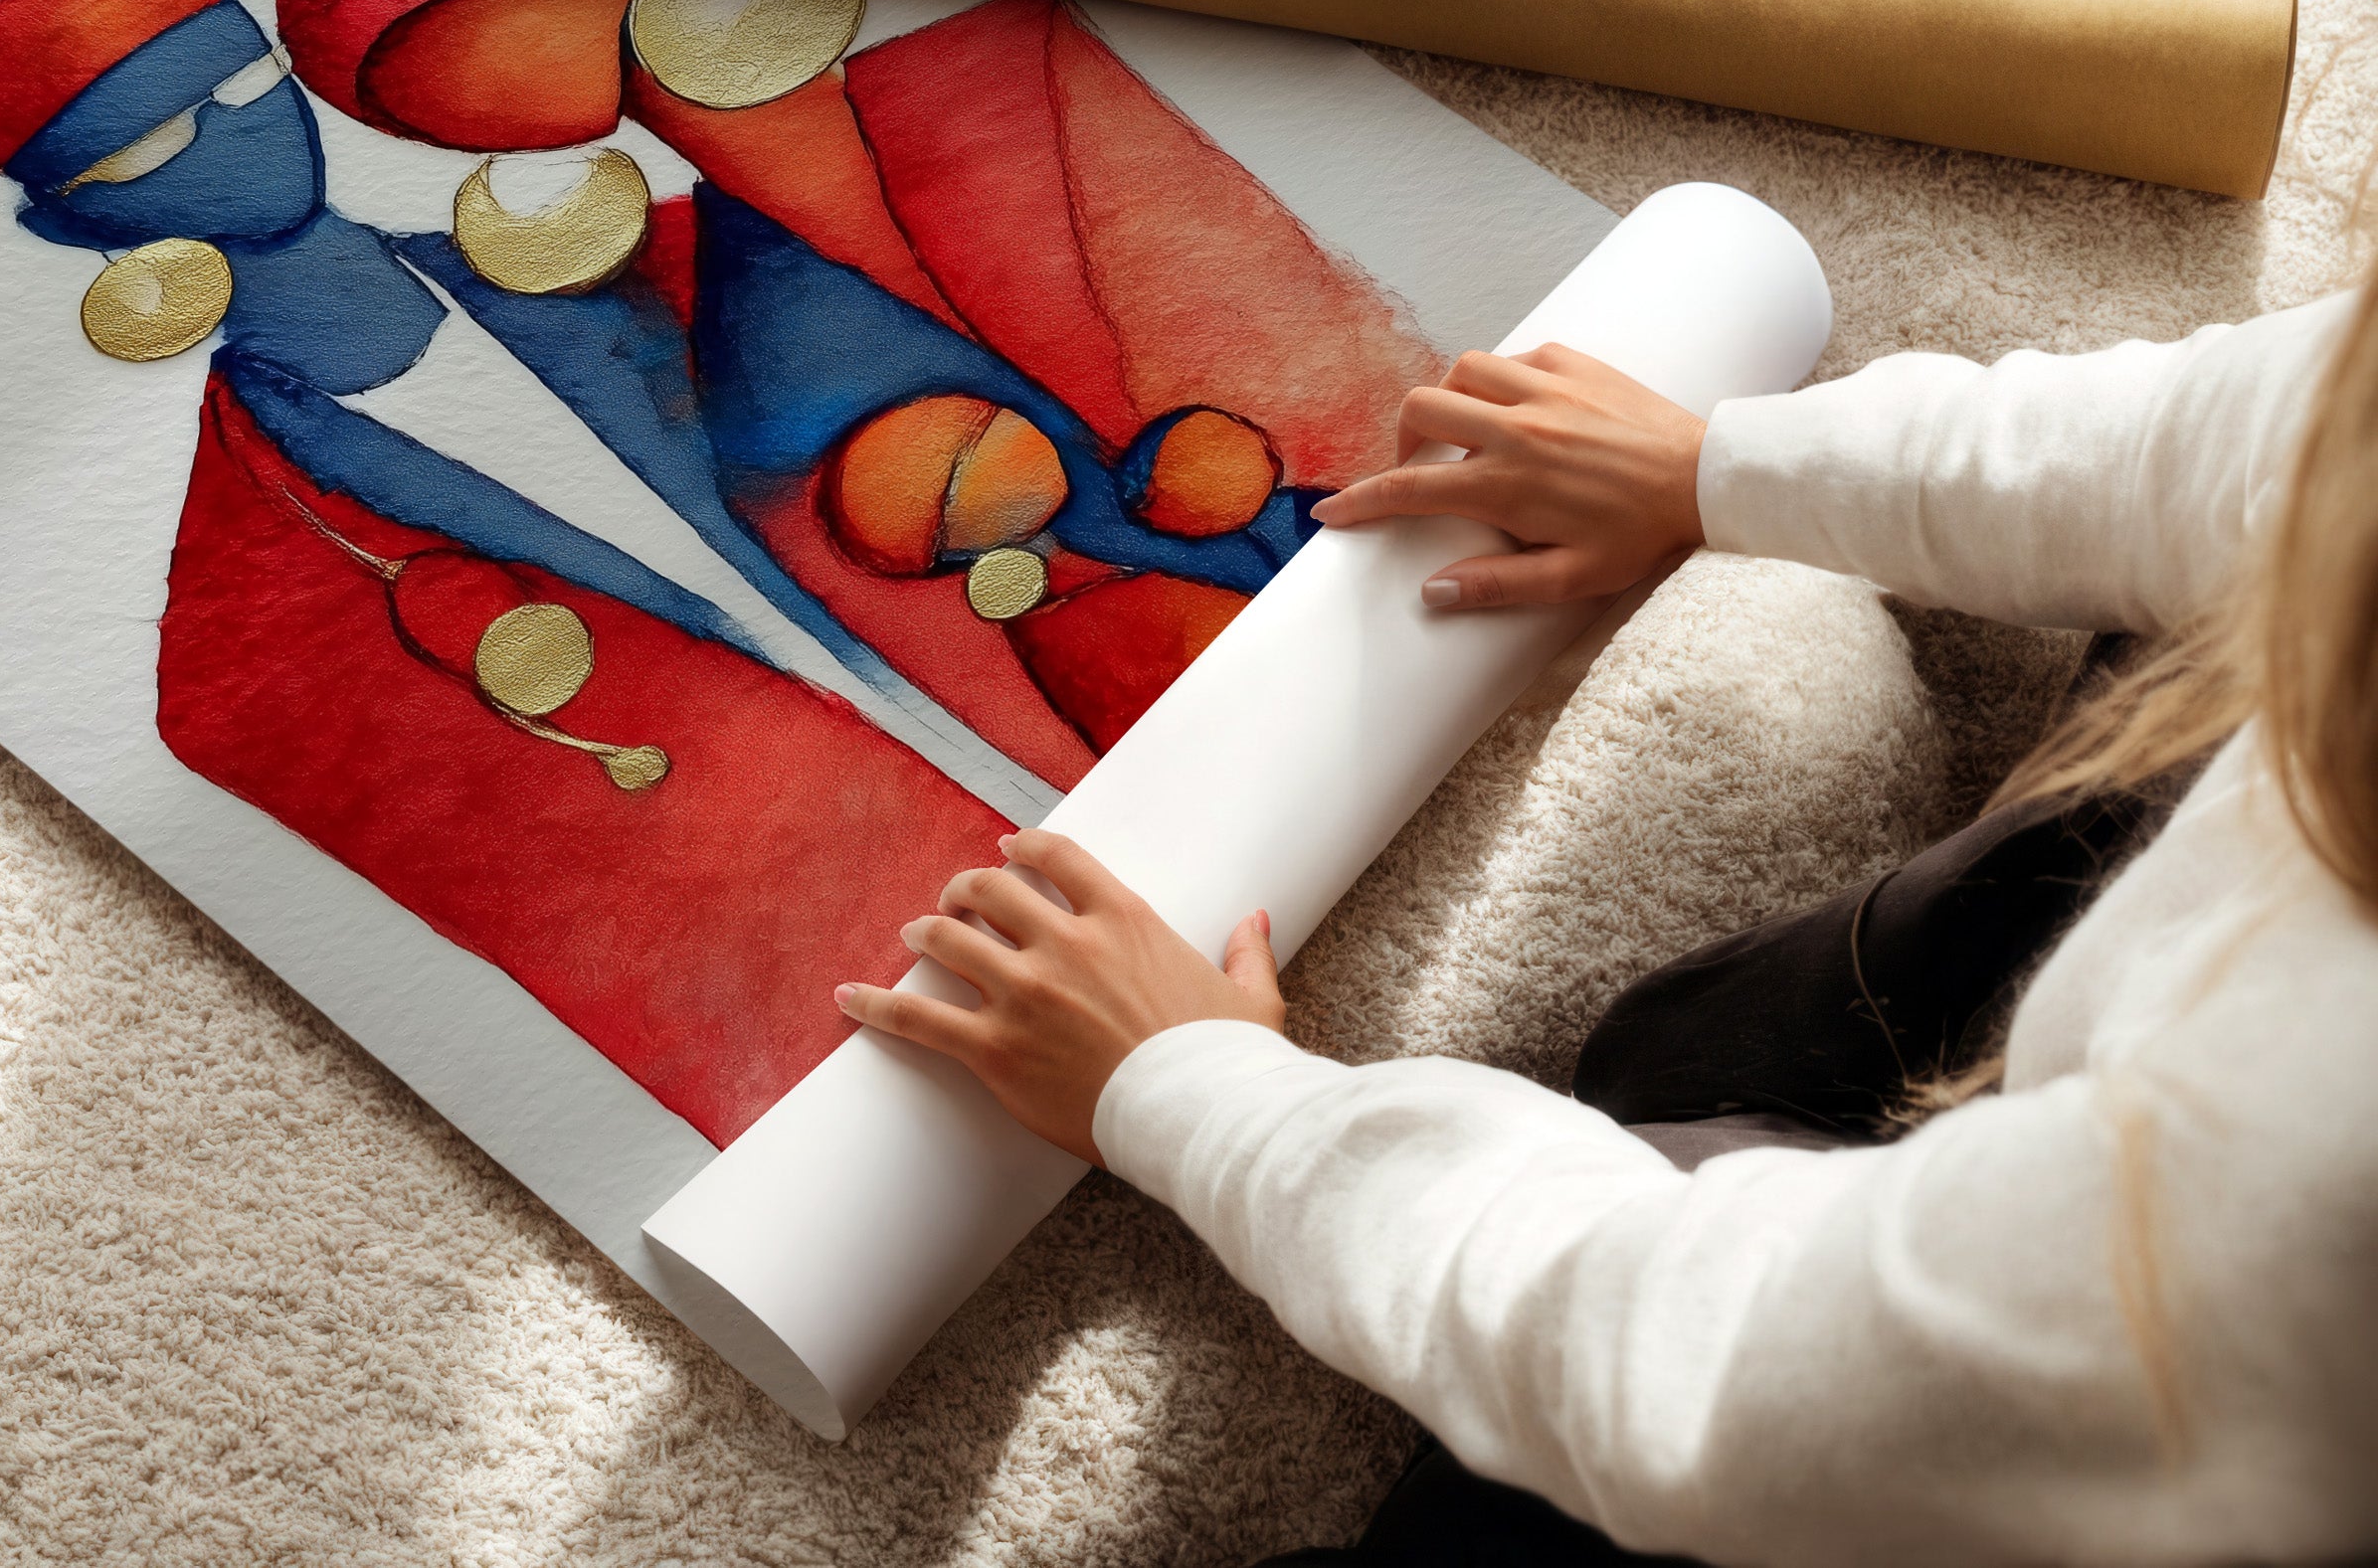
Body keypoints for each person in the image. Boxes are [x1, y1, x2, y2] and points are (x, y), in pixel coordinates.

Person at [835, 269, 2378, 1564]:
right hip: (2174, 1105)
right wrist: (1716, 466)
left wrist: (1198, 1093)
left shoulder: (2302, 1186)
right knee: (1688, 1054)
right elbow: (2251, 435)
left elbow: (1708, 1374)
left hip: (2159, 1432)